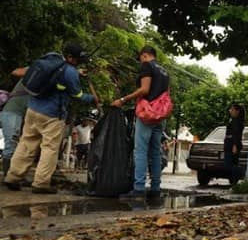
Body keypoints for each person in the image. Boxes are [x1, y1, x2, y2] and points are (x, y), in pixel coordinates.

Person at [4, 44, 97, 194]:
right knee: (49, 148)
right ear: (71, 58)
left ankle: (13, 177)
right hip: (52, 115)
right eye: (78, 60)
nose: (79, 62)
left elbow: (59, 76)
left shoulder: (52, 59)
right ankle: (41, 183)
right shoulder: (70, 72)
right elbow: (77, 95)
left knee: (26, 143)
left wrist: (77, 73)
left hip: (33, 109)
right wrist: (92, 98)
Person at [111, 45, 170, 199]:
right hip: (160, 116)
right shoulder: (164, 71)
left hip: (147, 114)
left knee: (141, 151)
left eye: (140, 58)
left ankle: (138, 189)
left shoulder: (146, 66)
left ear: (144, 55)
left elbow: (144, 89)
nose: (140, 62)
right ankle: (155, 188)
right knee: (155, 152)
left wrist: (123, 100)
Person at [0, 68, 30, 174]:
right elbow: (16, 71)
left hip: (16, 115)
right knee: (11, 144)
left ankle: (13, 174)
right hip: (11, 114)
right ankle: (8, 175)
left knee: (16, 145)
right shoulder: (31, 77)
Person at [224, 103, 245, 184]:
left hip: (232, 144)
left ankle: (242, 171)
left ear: (237, 111)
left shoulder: (237, 121)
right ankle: (234, 183)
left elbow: (237, 134)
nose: (230, 111)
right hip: (230, 143)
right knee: (232, 164)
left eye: (232, 109)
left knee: (229, 165)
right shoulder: (233, 120)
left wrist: (235, 145)